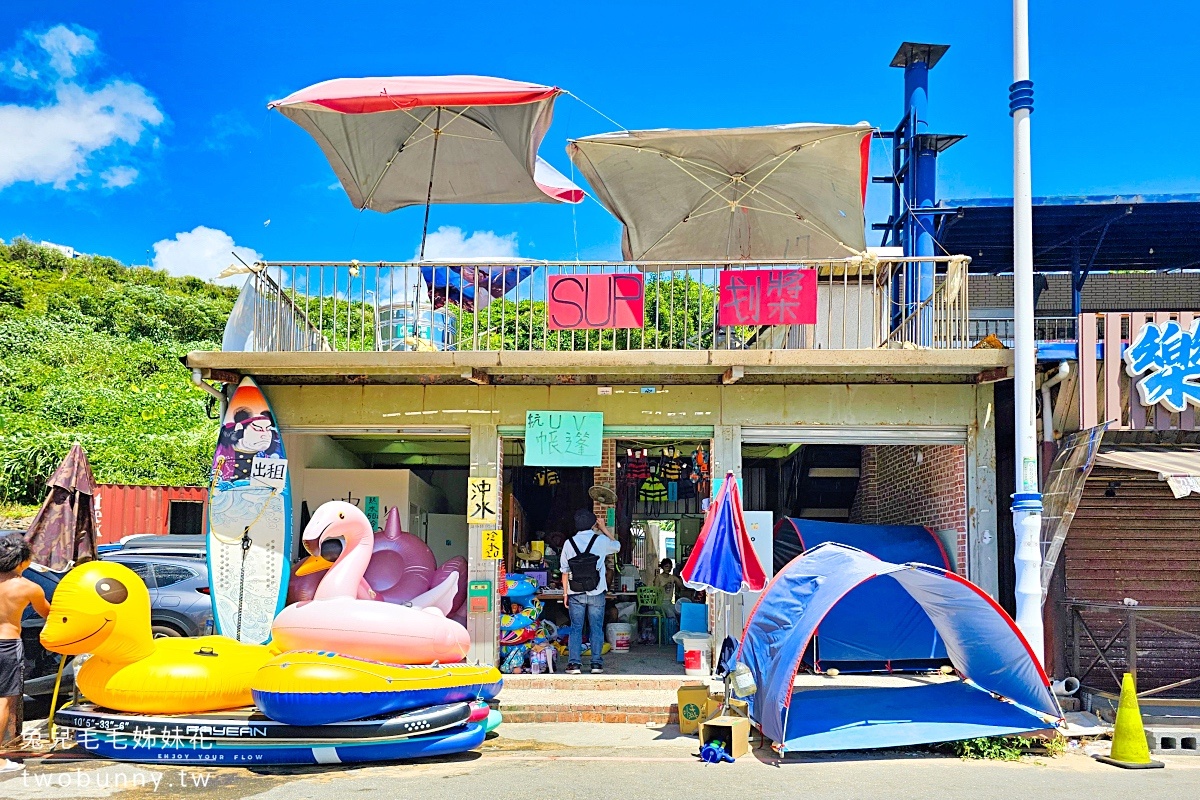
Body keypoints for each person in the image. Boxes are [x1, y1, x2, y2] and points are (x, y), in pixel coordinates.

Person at [0, 534, 49, 772]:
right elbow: (47, 614)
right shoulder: (29, 587)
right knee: (3, 701)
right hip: (7, 645)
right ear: (22, 561)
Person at [560, 509, 620, 675]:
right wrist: (604, 529)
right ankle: (596, 664)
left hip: (575, 592)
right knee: (596, 628)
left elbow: (564, 571)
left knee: (576, 628)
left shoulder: (568, 543)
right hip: (597, 591)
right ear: (593, 523)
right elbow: (617, 546)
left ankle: (574, 664)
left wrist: (565, 593)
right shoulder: (601, 540)